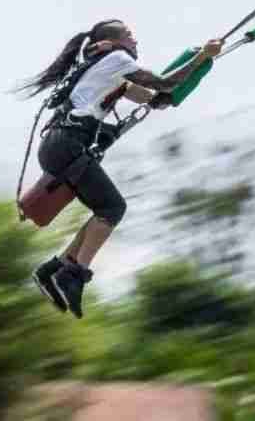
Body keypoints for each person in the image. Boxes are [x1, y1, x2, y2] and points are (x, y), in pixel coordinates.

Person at [13, 19, 223, 317]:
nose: (135, 40)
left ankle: (56, 268)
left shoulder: (107, 70)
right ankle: (73, 274)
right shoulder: (117, 58)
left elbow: (156, 97)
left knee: (106, 209)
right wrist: (202, 56)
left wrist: (183, 82)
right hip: (67, 145)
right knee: (112, 208)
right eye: (129, 35)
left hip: (60, 146)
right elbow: (164, 82)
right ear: (111, 42)